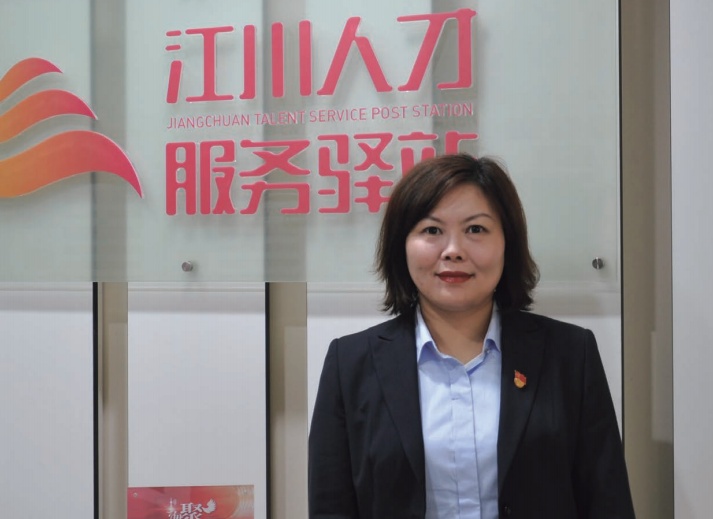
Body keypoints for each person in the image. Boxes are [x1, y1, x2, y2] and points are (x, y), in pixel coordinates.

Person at [308, 153, 635, 519]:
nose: (453, 251)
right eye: (432, 231)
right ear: (402, 245)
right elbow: (330, 508)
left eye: (476, 229)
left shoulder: (571, 354)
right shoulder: (350, 364)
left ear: (507, 243)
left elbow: (607, 503)